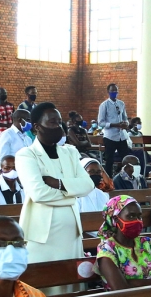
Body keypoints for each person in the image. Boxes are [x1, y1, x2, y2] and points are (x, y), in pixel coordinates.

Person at [15, 103, 95, 264]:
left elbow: (88, 185)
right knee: (45, 281)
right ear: (37, 126)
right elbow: (39, 193)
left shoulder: (70, 152)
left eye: (59, 122)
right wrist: (72, 194)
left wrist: (57, 183)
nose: (58, 126)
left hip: (71, 233)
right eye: (52, 122)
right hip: (42, 236)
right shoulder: (27, 155)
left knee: (72, 282)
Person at [97, 83, 131, 174]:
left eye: (116, 91)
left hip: (121, 136)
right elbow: (100, 122)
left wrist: (126, 123)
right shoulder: (104, 105)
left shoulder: (121, 103)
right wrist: (115, 125)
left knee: (126, 158)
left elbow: (125, 118)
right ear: (108, 92)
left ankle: (125, 176)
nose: (114, 92)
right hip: (110, 136)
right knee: (109, 160)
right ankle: (109, 179)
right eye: (112, 91)